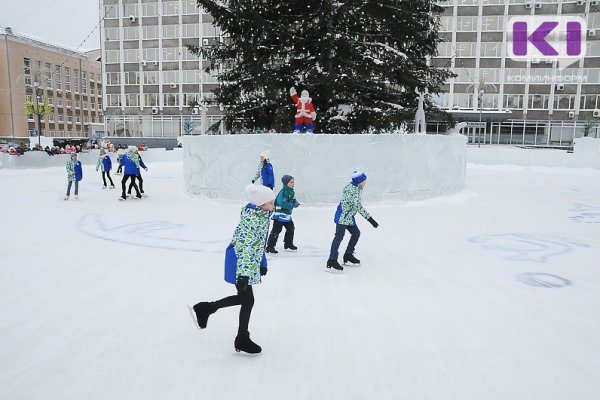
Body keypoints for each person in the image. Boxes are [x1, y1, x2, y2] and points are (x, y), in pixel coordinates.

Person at [189, 184, 275, 354]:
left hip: (247, 264)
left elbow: (258, 246)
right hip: (239, 264)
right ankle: (241, 337)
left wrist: (262, 263)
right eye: (271, 203)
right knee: (247, 300)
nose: (273, 206)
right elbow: (245, 247)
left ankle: (206, 309)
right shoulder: (252, 220)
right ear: (261, 204)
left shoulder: (262, 215)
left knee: (244, 299)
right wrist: (243, 274)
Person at [326, 170, 379, 272]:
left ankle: (348, 255)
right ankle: (332, 260)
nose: (365, 183)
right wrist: (370, 219)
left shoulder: (356, 188)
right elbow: (358, 207)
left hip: (349, 217)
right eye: (364, 180)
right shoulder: (353, 191)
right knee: (338, 237)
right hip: (343, 217)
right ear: (359, 181)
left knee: (356, 233)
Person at [266, 175, 299, 253]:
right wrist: (291, 205)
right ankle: (270, 246)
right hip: (279, 215)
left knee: (291, 228)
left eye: (293, 182)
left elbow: (293, 199)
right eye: (291, 182)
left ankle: (288, 243)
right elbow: (282, 203)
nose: (293, 183)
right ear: (285, 183)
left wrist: (295, 203)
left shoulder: (291, 191)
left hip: (286, 216)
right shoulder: (283, 192)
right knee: (276, 230)